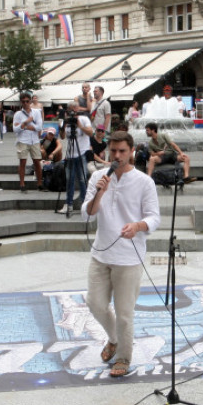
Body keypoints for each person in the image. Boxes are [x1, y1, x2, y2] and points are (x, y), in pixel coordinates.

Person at [82, 131, 161, 378]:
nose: (117, 155)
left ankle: (124, 357)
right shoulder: (98, 177)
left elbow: (154, 217)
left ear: (131, 152)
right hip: (101, 253)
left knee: (125, 313)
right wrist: (100, 192)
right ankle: (114, 339)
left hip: (129, 257)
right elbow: (87, 214)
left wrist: (137, 226)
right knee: (95, 303)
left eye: (122, 151)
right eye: (113, 150)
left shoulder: (144, 182)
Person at [58, 101, 93, 215]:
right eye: (71, 110)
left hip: (81, 153)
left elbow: (90, 133)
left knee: (82, 179)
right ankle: (69, 204)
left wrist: (79, 125)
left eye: (75, 109)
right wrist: (62, 126)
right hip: (70, 155)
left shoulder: (84, 119)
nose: (73, 112)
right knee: (70, 180)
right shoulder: (67, 121)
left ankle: (84, 204)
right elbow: (62, 137)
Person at [13, 91, 44, 192]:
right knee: (22, 161)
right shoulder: (18, 114)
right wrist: (26, 122)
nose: (25, 103)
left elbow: (39, 127)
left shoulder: (36, 112)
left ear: (30, 101)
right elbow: (15, 129)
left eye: (27, 101)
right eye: (23, 102)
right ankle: (22, 183)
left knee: (37, 161)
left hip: (34, 140)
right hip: (23, 140)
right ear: (21, 102)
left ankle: (39, 183)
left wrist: (24, 126)